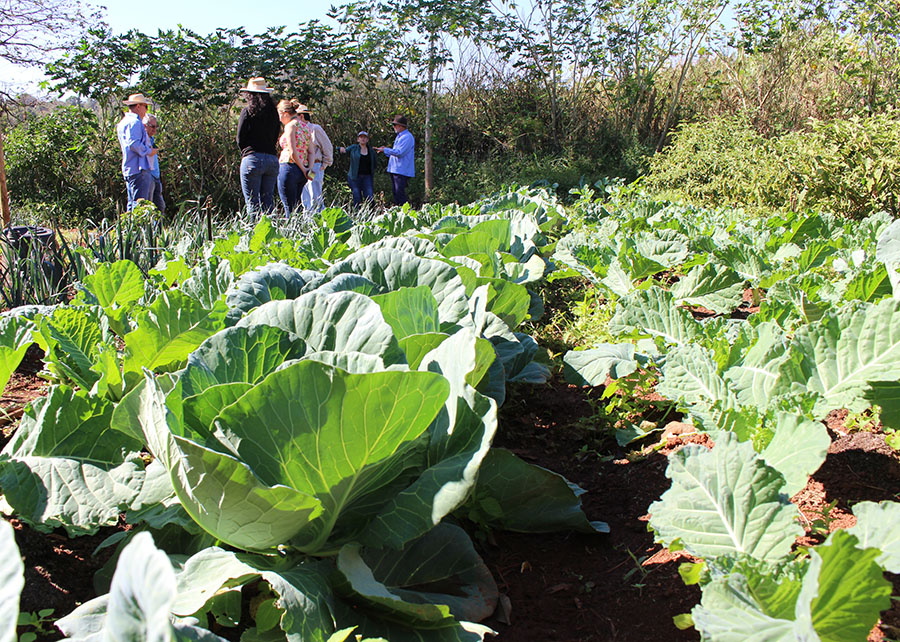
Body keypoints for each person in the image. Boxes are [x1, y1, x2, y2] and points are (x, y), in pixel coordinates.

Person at [236, 77, 280, 217]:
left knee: (252, 204)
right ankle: (271, 235)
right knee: (268, 203)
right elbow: (275, 136)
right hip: (272, 159)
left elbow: (240, 138)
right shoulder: (274, 113)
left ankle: (253, 236)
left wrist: (246, 152)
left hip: (253, 158)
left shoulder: (247, 112)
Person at [116, 93, 158, 212]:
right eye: (145, 106)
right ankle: (139, 230)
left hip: (129, 167)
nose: (146, 110)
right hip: (139, 169)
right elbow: (133, 143)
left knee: (132, 203)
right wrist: (149, 151)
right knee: (141, 206)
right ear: (138, 106)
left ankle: (130, 229)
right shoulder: (135, 122)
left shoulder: (123, 122)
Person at [276, 99, 313, 218]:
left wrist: (303, 169)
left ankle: (290, 233)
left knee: (289, 207)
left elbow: (292, 152)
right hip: (302, 171)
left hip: (288, 167)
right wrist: (308, 169)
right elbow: (311, 152)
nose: (280, 119)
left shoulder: (290, 126)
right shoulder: (305, 126)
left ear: (285, 113)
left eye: (280, 115)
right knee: (297, 205)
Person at [298, 105, 333, 214]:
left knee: (315, 195)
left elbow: (327, 146)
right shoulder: (298, 131)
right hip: (303, 167)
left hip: (314, 167)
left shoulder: (315, 129)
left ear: (302, 116)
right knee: (305, 197)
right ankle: (308, 222)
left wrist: (325, 164)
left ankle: (320, 222)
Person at [376, 115, 415, 206]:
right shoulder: (399, 137)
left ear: (401, 126)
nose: (394, 127)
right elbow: (395, 152)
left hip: (401, 170)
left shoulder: (407, 137)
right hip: (395, 169)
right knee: (396, 193)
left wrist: (385, 150)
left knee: (400, 193)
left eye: (395, 125)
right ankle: (399, 213)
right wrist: (385, 150)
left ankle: (406, 213)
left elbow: (400, 152)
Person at [339, 131, 377, 207]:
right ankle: (357, 213)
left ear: (367, 140)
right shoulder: (354, 148)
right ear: (358, 139)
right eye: (361, 137)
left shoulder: (371, 151)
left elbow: (375, 163)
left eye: (365, 137)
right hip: (355, 177)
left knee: (369, 196)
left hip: (367, 177)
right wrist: (340, 149)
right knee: (357, 196)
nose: (363, 139)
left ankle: (371, 214)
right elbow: (344, 151)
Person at [142, 113, 166, 215]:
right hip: (148, 176)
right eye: (152, 126)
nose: (154, 129)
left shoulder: (151, 139)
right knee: (149, 208)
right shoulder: (142, 140)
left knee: (160, 207)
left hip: (156, 176)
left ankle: (158, 230)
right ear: (145, 126)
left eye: (156, 127)